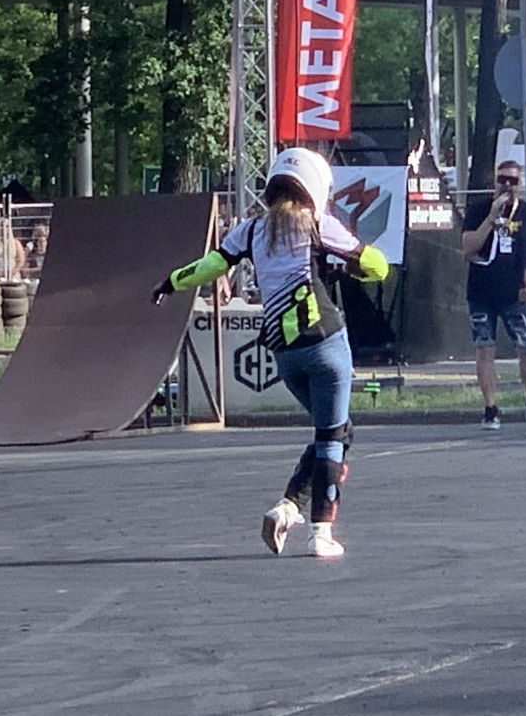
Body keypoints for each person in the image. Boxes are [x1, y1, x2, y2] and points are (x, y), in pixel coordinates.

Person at [152, 148, 389, 558]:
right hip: (326, 344)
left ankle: (289, 507)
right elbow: (378, 266)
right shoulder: (317, 224)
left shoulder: (249, 230)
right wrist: (350, 265)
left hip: (285, 355)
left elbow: (210, 266)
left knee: (334, 431)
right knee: (333, 437)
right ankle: (320, 532)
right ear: (316, 188)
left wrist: (171, 281)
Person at [462, 161, 526, 430]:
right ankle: (490, 407)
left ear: (520, 185)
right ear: (495, 181)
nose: (507, 185)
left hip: (513, 293)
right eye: (503, 179)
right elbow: (468, 248)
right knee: (485, 348)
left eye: (513, 181)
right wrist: (491, 218)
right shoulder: (478, 210)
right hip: (481, 291)